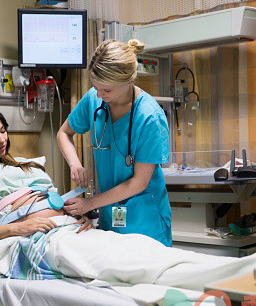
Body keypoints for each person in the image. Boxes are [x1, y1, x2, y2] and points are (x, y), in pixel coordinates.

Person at [57, 39, 172, 245]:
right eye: (95, 86)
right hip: (111, 217)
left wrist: (89, 203)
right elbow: (64, 133)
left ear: (128, 81)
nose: (99, 95)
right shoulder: (94, 98)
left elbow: (139, 182)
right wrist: (75, 164)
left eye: (107, 90)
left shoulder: (149, 117)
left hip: (145, 221)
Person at [0, 104, 92, 250]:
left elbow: (57, 200)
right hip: (26, 238)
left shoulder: (26, 165)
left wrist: (78, 215)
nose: (1, 139)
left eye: (3, 130)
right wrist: (16, 228)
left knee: (110, 249)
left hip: (68, 226)